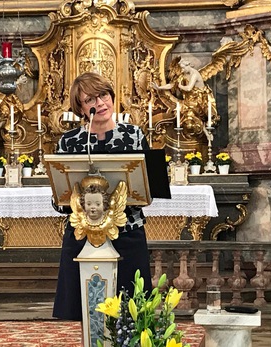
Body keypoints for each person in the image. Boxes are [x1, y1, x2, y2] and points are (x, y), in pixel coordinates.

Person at [52, 71, 153, 321]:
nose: (100, 104)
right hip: (83, 234)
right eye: (90, 100)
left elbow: (151, 187)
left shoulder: (134, 136)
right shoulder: (69, 142)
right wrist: (63, 200)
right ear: (81, 108)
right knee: (85, 312)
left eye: (104, 95)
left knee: (132, 310)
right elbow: (59, 199)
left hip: (127, 231)